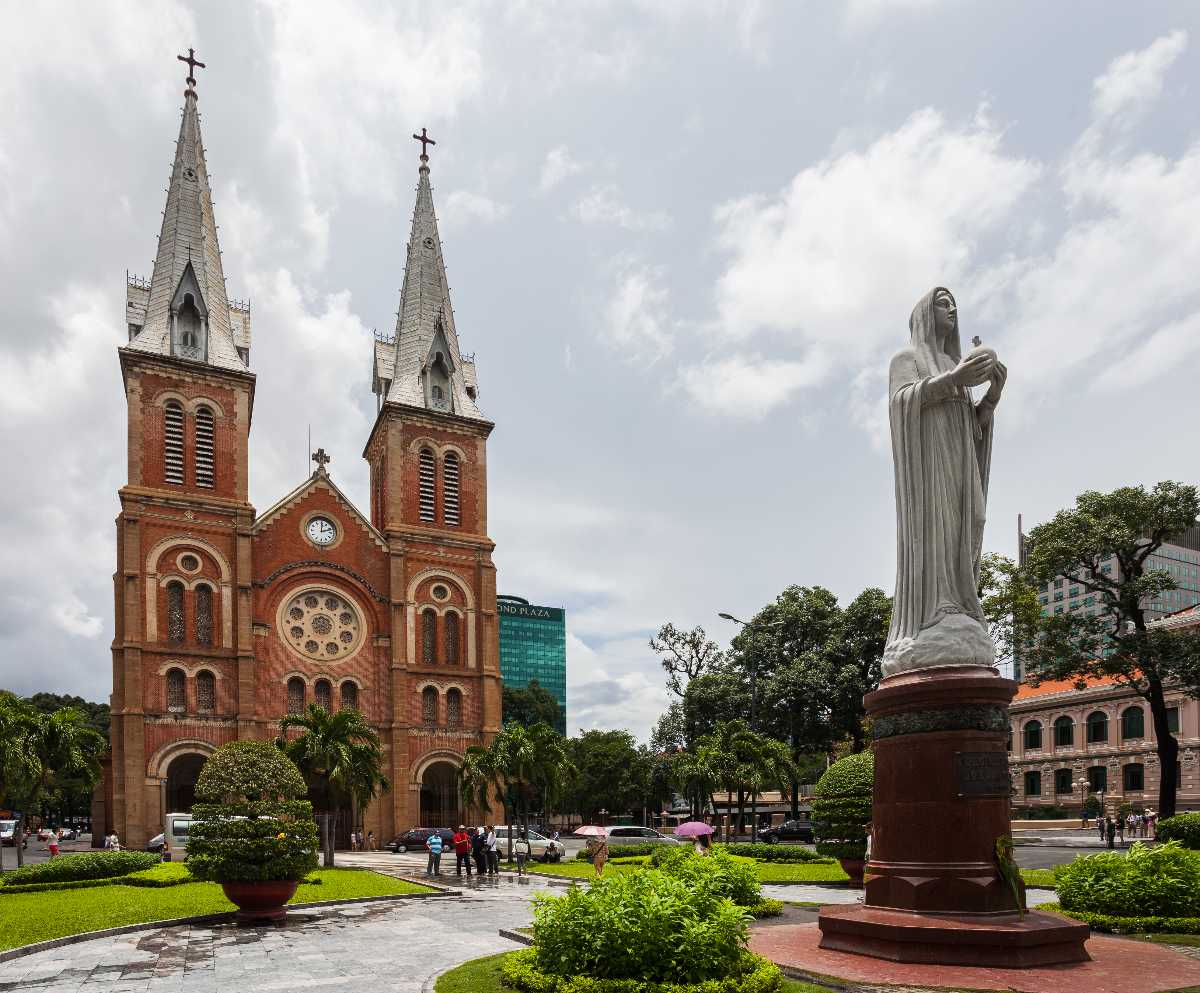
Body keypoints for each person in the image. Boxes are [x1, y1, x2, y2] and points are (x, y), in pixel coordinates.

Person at [882, 288, 1007, 677]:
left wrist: (991, 397)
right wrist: (952, 379)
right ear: (923, 312)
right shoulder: (907, 359)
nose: (951, 308)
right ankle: (935, 610)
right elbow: (901, 404)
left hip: (959, 463)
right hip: (929, 467)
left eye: (954, 302)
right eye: (942, 301)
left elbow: (974, 430)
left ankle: (960, 603)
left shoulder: (956, 362)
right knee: (936, 529)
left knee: (971, 522)